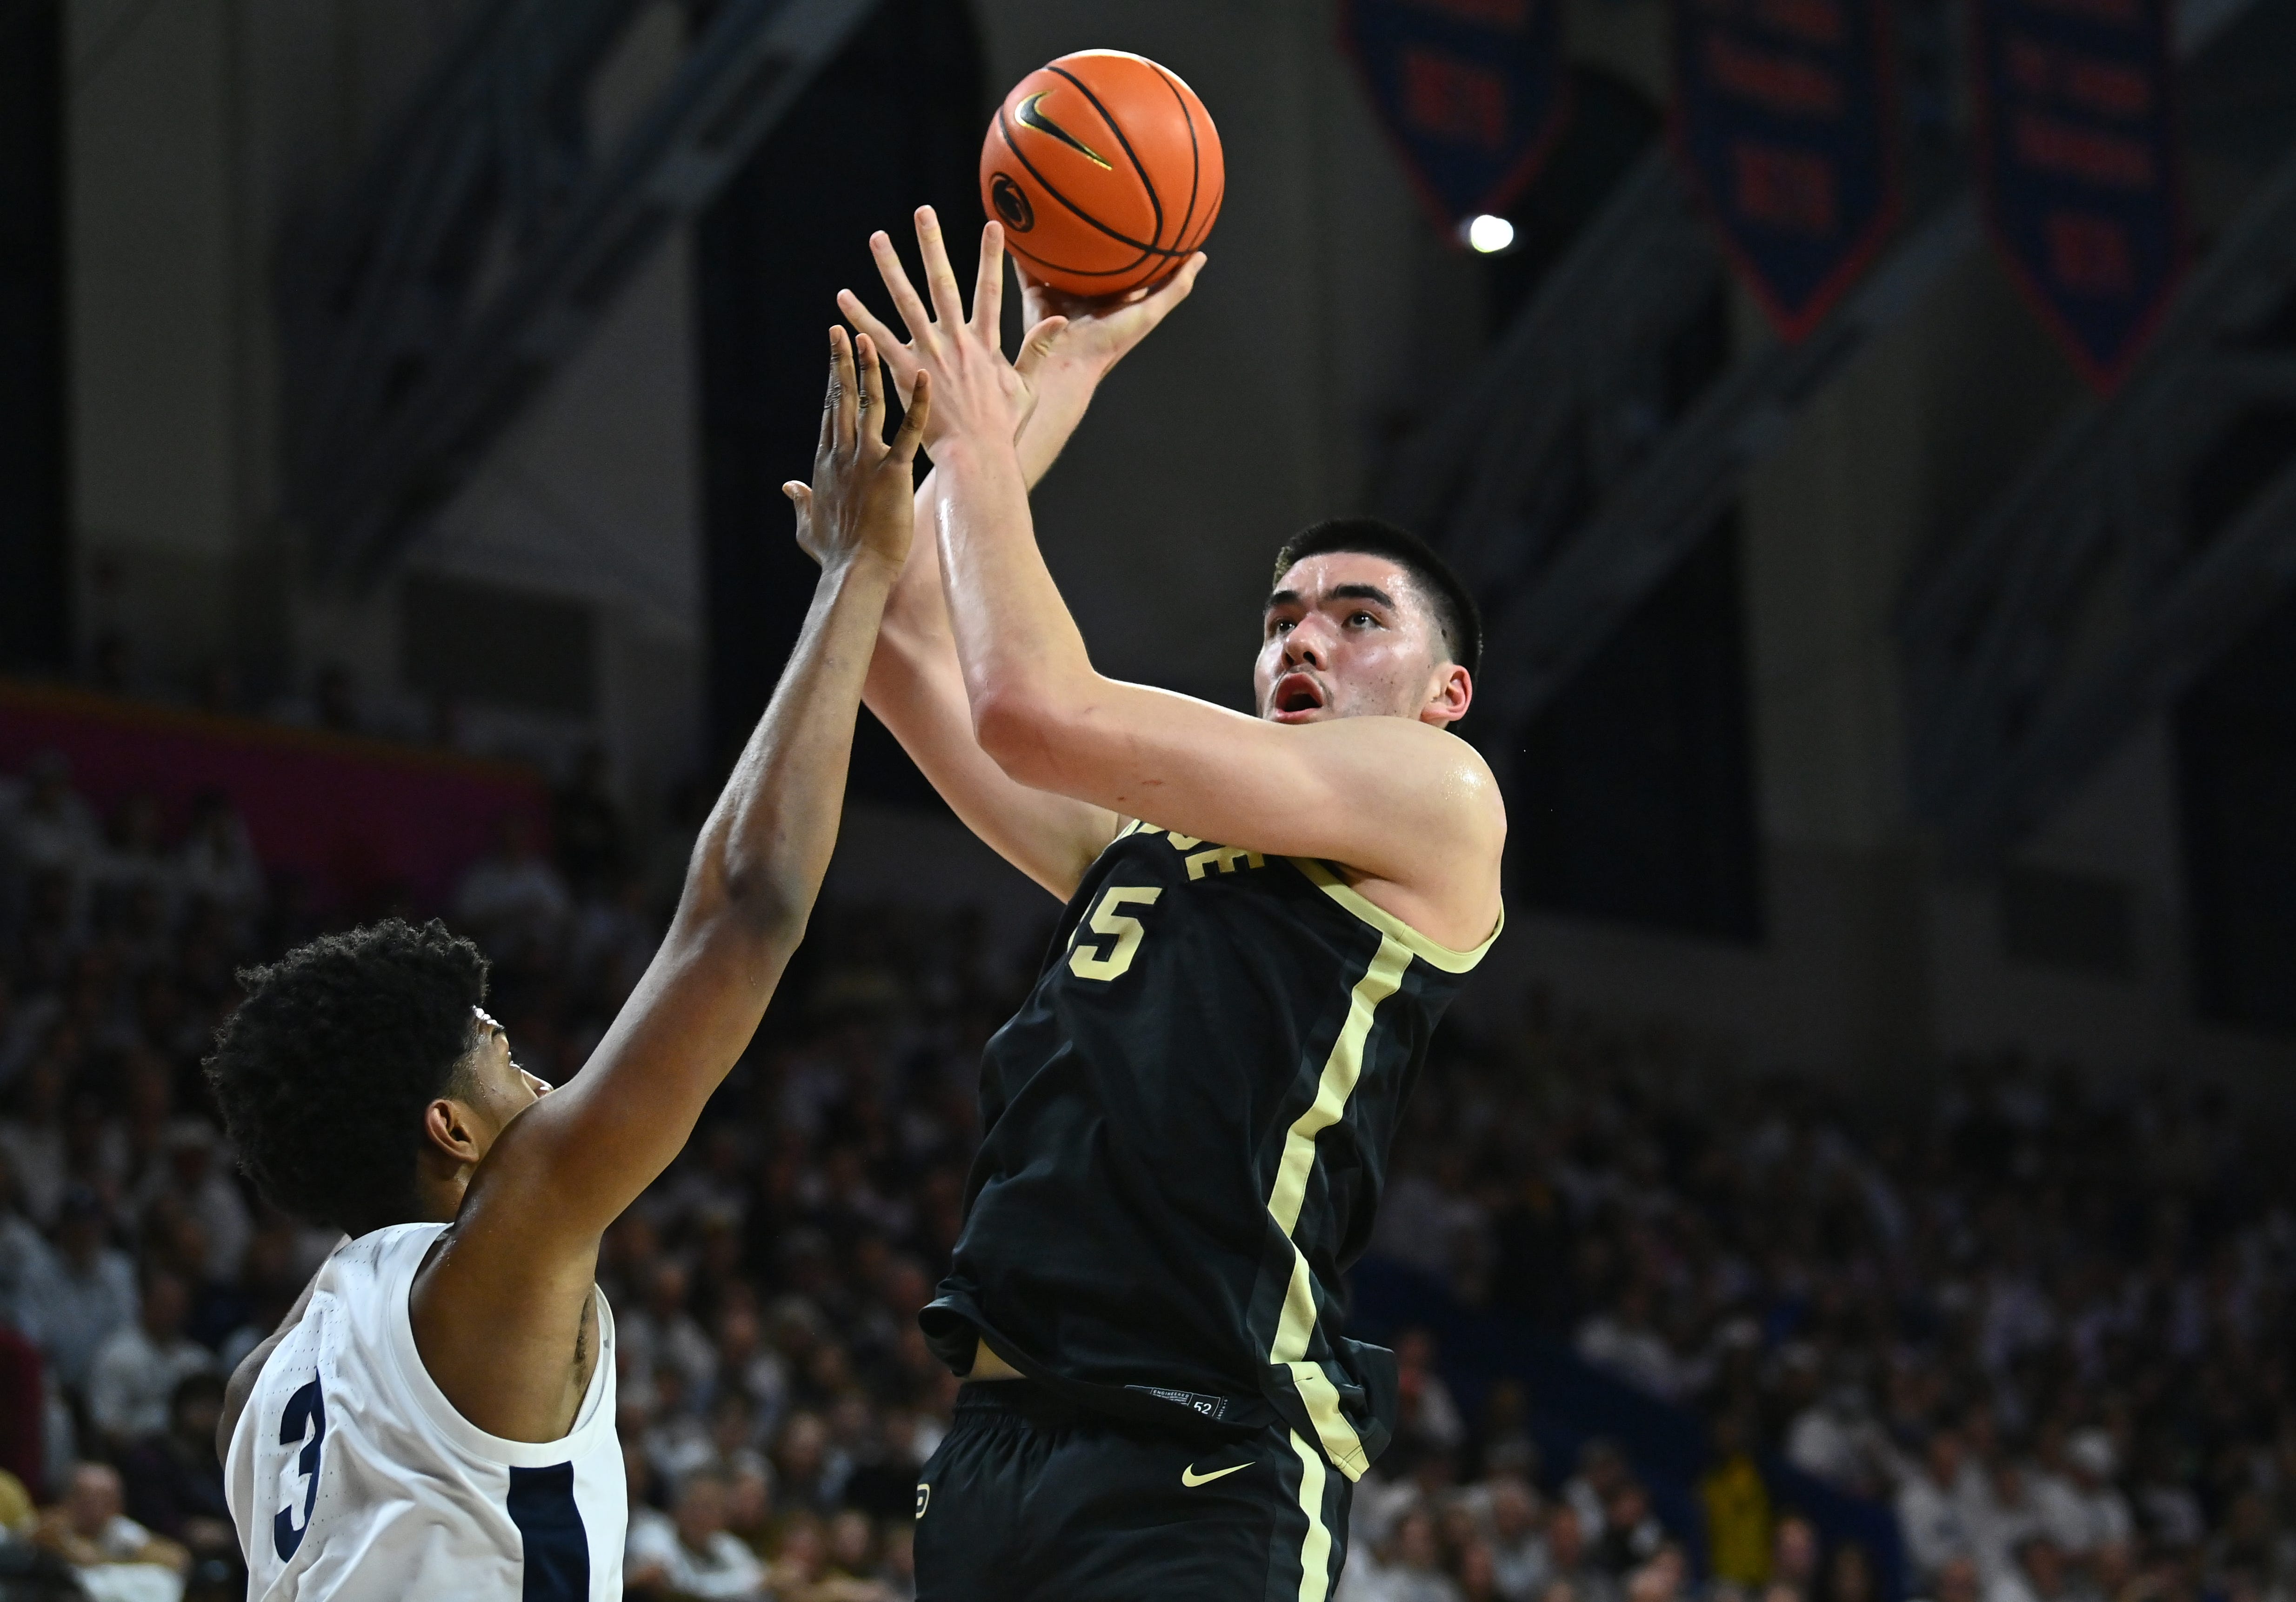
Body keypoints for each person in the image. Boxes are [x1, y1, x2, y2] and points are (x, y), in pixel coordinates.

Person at [838, 211, 1506, 1599]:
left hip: (1203, 1450)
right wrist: (1051, 373)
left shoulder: (1440, 798)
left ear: (1445, 695)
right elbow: (891, 635)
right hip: (999, 1442)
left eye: (1358, 616)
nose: (1303, 634)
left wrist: (973, 440)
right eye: (1282, 617)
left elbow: (1030, 705)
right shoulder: (1146, 833)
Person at [206, 333, 933, 1599]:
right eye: (503, 1053)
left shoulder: (260, 1386)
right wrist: (855, 576)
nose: (539, 1081)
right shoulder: (509, 1236)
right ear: (450, 1126)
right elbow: (746, 911)